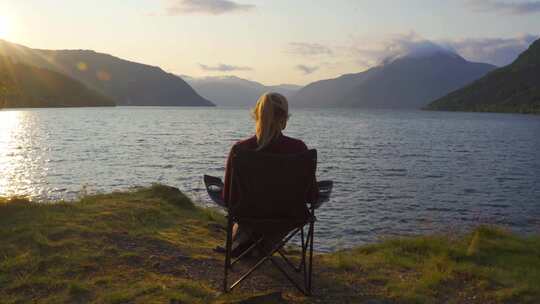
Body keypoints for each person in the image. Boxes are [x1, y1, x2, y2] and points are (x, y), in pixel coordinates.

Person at [222, 92, 318, 256]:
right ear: (284, 120)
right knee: (275, 213)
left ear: (256, 116)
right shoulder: (298, 149)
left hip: (248, 216)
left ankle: (247, 244)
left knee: (250, 214)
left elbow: (228, 197)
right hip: (289, 217)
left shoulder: (240, 150)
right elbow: (312, 196)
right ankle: (262, 246)